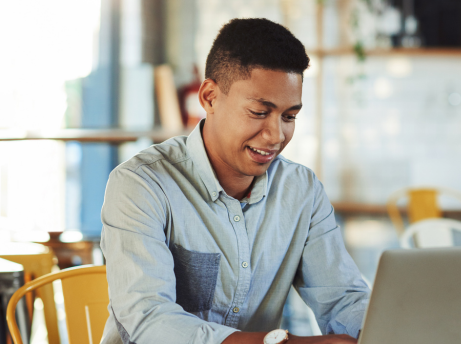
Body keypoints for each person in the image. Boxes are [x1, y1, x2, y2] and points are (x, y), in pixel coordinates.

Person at [100, 18, 369, 344]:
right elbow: (149, 321)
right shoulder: (141, 184)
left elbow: (343, 298)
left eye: (289, 117)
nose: (276, 135)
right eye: (259, 112)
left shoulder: (302, 190)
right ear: (210, 97)